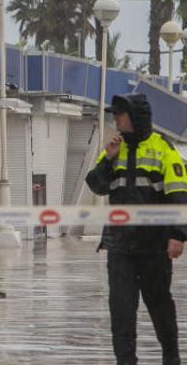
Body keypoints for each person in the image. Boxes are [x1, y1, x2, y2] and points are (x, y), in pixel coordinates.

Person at [86, 93, 187, 365]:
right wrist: (108, 159)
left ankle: (171, 357)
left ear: (135, 116)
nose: (115, 119)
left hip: (155, 246)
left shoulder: (163, 149)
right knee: (121, 311)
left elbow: (180, 195)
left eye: (119, 114)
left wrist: (178, 235)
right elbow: (96, 185)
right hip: (120, 247)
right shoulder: (114, 148)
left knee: (160, 306)